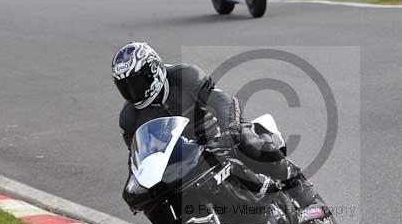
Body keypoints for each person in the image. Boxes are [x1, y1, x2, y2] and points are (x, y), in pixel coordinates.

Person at [112, 41, 317, 210]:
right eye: (125, 86)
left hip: (219, 130)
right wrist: (137, 186)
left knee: (248, 142)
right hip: (186, 155)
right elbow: (138, 156)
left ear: (154, 70)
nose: (132, 91)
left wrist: (231, 130)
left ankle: (296, 181)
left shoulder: (184, 75)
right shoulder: (129, 117)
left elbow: (221, 101)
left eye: (136, 83)